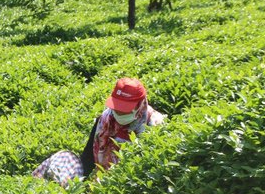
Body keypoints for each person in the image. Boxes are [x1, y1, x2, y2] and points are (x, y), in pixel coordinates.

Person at [32, 77, 165, 186]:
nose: (118, 113)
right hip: (101, 181)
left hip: (131, 184)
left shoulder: (153, 124)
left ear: (140, 105)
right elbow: (88, 159)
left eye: (124, 109)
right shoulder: (105, 120)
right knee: (64, 157)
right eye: (117, 108)